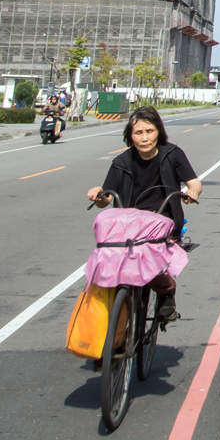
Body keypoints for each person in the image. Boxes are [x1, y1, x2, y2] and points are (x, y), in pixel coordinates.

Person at [87, 106, 202, 320]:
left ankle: (167, 292)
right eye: (138, 133)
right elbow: (107, 199)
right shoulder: (121, 162)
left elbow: (193, 182)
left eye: (149, 131)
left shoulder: (172, 154)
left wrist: (191, 193)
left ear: (158, 131)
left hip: (163, 224)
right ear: (130, 136)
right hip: (128, 228)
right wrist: (98, 195)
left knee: (151, 268)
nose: (145, 138)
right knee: (110, 271)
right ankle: (114, 338)